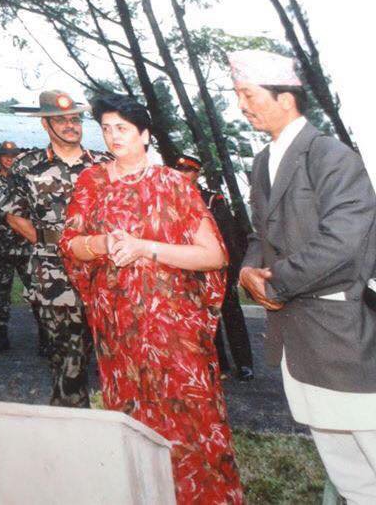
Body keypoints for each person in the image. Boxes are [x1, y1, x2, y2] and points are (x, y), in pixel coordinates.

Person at [60, 93, 243, 503]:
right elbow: (70, 245)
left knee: (192, 414)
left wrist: (146, 247)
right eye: (106, 128)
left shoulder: (174, 184)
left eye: (122, 128)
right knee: (134, 419)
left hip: (175, 327)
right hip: (120, 327)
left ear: (145, 134)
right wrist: (103, 242)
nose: (112, 136)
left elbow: (213, 255)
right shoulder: (92, 182)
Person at [231, 49, 376, 503]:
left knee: (367, 444)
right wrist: (248, 270)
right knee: (346, 468)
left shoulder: (332, 157)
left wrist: (275, 282)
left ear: (286, 98)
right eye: (239, 95)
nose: (242, 105)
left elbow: (344, 241)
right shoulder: (262, 162)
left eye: (248, 94)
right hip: (297, 336)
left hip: (339, 336)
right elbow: (260, 234)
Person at [0, 91, 109, 408]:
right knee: (68, 353)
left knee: (111, 349)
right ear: (46, 124)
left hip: (102, 270)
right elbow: (13, 215)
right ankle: (70, 419)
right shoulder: (28, 167)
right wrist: (53, 245)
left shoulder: (103, 165)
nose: (71, 125)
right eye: (61, 119)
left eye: (75, 118)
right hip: (54, 274)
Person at [174, 154, 254, 382]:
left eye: (188, 170)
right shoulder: (170, 200)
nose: (183, 174)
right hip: (192, 266)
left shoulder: (211, 200)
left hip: (219, 266)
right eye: (179, 170)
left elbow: (228, 235)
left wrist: (234, 268)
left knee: (231, 312)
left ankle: (245, 364)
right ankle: (220, 365)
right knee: (206, 316)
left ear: (196, 174)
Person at [0, 141, 46, 355]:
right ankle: (0, 336)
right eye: (5, 155)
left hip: (26, 246)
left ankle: (46, 338)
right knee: (1, 294)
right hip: (0, 247)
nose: (9, 158)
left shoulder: (28, 179)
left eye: (13, 155)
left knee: (37, 291)